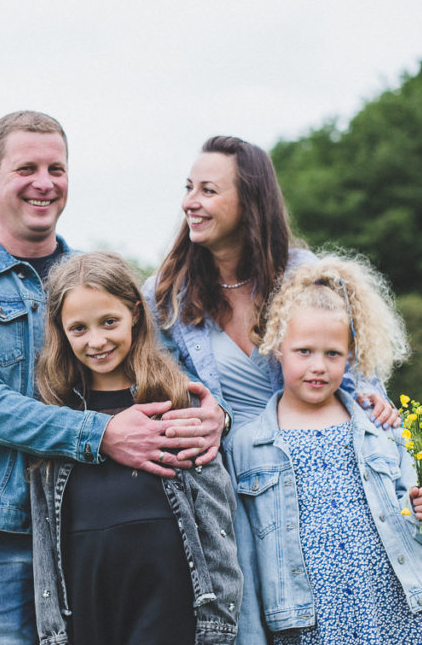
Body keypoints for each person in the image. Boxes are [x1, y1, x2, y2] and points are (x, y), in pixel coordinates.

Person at [0, 111, 228, 645]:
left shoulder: (97, 277)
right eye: (27, 168)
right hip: (6, 529)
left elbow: (170, 367)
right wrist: (101, 433)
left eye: (56, 168)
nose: (44, 182)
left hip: (100, 525)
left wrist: (214, 415)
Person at [226, 252, 422, 645]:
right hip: (309, 624)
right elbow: (243, 560)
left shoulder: (378, 426)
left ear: (351, 355)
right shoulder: (247, 444)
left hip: (393, 608)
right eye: (304, 352)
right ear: (278, 348)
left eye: (332, 354)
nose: (318, 366)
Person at [29, 251, 243, 645]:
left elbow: (217, 525)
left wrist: (215, 637)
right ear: (61, 331)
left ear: (134, 314)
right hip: (87, 605)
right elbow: (44, 538)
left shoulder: (175, 401)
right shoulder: (54, 417)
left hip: (168, 600)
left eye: (109, 322)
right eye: (79, 328)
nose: (97, 340)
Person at [143, 136, 399, 431]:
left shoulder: (303, 275)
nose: (189, 203)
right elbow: (160, 387)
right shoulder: (165, 295)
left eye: (208, 191)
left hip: (308, 455)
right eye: (189, 188)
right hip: (227, 468)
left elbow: (349, 363)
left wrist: (372, 396)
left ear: (249, 200)